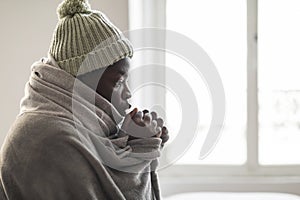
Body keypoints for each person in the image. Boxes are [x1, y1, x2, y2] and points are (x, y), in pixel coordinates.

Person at [0, 0, 169, 199]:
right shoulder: (51, 138)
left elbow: (100, 174)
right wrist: (139, 151)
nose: (128, 93)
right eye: (118, 82)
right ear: (80, 81)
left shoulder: (73, 124)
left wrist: (134, 143)